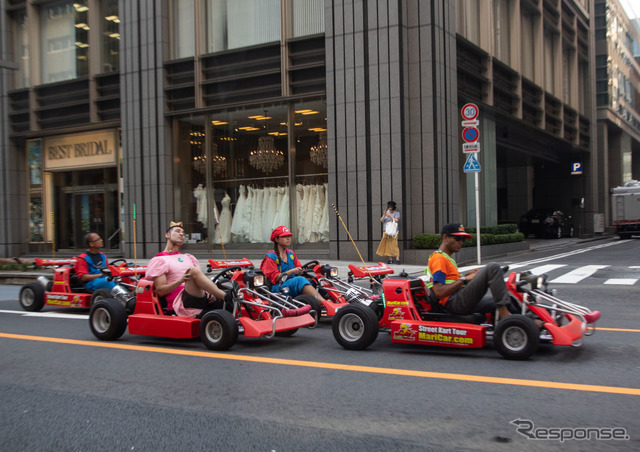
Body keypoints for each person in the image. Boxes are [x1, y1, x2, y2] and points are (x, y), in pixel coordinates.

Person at [425, 223, 512, 320]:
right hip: (453, 302)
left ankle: (524, 322)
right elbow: (439, 292)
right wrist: (464, 279)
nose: (461, 242)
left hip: (458, 297)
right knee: (493, 268)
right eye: (457, 239)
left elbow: (449, 281)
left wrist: (468, 276)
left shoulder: (446, 258)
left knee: (507, 300)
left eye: (463, 239)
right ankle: (506, 317)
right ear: (446, 238)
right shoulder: (439, 258)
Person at [145, 221, 227, 317]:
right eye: (178, 231)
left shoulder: (188, 257)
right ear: (167, 235)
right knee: (193, 271)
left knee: (225, 281)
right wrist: (180, 281)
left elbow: (201, 279)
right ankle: (226, 297)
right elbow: (161, 291)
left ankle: (232, 299)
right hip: (181, 302)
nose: (181, 234)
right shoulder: (160, 260)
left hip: (200, 296)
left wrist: (210, 291)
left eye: (183, 233)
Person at [260, 225, 327, 304]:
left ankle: (335, 299)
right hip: (279, 287)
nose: (288, 238)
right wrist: (291, 271)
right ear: (276, 239)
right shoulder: (271, 256)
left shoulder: (291, 253)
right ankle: (325, 303)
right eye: (284, 237)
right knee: (299, 280)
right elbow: (275, 278)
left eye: (289, 236)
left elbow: (300, 269)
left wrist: (310, 266)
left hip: (293, 284)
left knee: (318, 280)